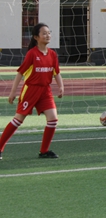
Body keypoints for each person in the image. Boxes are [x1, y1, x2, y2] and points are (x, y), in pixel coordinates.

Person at [1, 23, 64, 160]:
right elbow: (20, 73)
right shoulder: (32, 53)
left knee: (53, 119)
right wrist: (13, 92)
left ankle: (44, 151)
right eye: (44, 33)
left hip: (45, 91)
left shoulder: (52, 54)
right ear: (36, 37)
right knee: (18, 120)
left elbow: (56, 72)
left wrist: (61, 86)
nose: (48, 35)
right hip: (30, 91)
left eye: (49, 33)